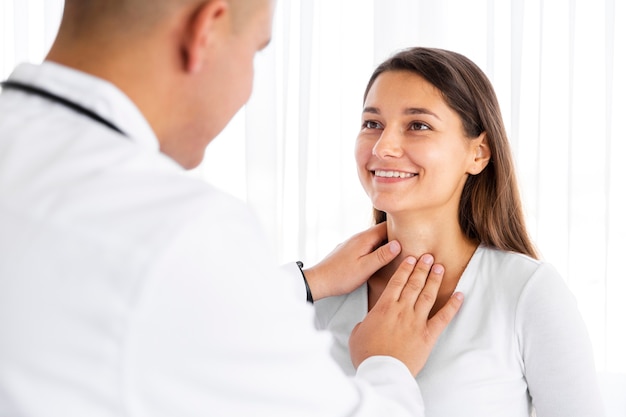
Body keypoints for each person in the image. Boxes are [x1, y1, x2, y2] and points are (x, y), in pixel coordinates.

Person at [0, 1, 465, 416]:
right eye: (255, 51)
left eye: (419, 125)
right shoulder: (180, 229)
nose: (384, 147)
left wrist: (310, 282)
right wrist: (388, 365)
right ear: (207, 29)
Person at [314, 47, 606, 416]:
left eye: (418, 125)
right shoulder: (323, 295)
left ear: (478, 153)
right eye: (372, 124)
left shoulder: (527, 292)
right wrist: (310, 285)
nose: (384, 147)